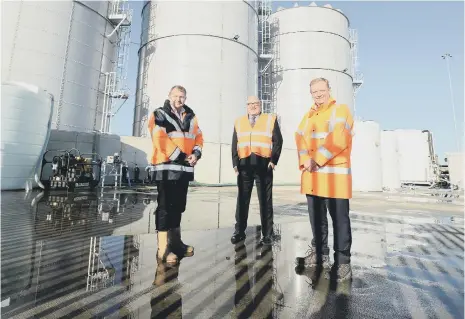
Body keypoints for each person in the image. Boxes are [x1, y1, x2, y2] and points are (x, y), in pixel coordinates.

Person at [294, 77, 354, 282]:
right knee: (317, 220)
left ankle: (343, 263)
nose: (318, 94)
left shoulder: (341, 110)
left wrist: (316, 160)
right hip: (313, 177)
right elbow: (299, 137)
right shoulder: (309, 115)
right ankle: (320, 255)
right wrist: (305, 161)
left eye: (321, 90)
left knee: (340, 221)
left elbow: (339, 139)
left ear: (329, 89)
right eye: (314, 92)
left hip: (334, 177)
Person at [148, 85, 203, 265]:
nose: (179, 99)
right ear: (169, 96)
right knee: (165, 207)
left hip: (184, 170)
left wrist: (195, 154)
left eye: (182, 97)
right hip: (166, 168)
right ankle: (162, 249)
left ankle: (176, 243)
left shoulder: (191, 117)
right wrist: (180, 156)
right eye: (176, 96)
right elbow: (159, 138)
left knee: (178, 206)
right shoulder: (159, 114)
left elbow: (199, 137)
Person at [231, 96, 283, 245]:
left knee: (265, 201)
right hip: (244, 165)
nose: (253, 106)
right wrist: (235, 163)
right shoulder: (239, 121)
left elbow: (278, 141)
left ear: (260, 105)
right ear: (246, 106)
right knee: (242, 200)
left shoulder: (270, 119)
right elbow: (235, 142)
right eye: (250, 104)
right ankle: (239, 232)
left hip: (264, 165)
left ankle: (267, 235)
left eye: (255, 103)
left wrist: (273, 161)